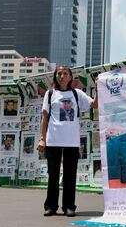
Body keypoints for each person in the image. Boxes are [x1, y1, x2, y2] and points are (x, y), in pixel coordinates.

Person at [37, 65, 98, 217]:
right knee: (53, 175)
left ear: (70, 77)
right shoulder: (50, 94)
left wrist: (98, 88)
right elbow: (44, 118)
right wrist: (42, 139)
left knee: (71, 175)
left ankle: (69, 206)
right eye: (59, 73)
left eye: (65, 73)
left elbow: (94, 105)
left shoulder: (77, 94)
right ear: (55, 76)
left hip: (72, 141)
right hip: (53, 141)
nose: (62, 76)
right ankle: (50, 206)